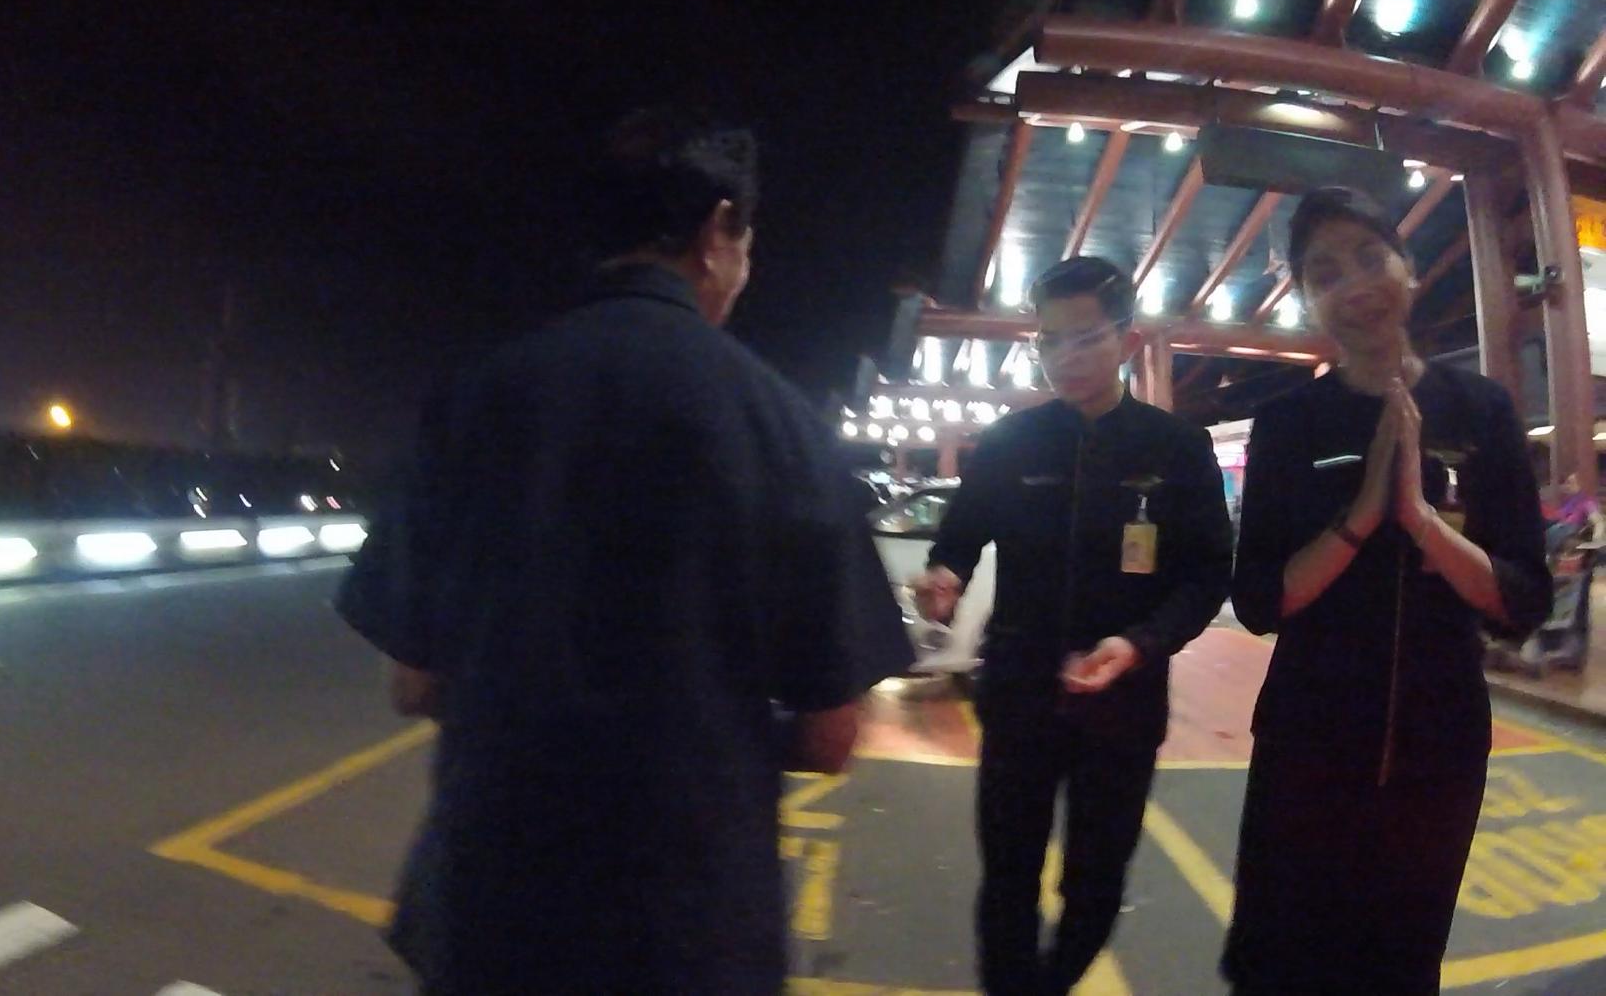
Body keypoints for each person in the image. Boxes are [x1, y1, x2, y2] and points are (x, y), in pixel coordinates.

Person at [335, 108, 914, 996]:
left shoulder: (481, 396)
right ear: (719, 231)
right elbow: (831, 735)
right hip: (689, 922)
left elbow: (413, 683)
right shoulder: (786, 429)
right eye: (747, 241)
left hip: (492, 901)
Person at [1223, 187, 1553, 994]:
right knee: (1281, 960)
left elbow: (1523, 600)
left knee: (1402, 963)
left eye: (1371, 257)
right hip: (1307, 745)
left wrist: (1423, 524)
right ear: (1308, 300)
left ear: (1407, 267)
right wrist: (1365, 513)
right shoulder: (1289, 423)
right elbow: (1260, 602)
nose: (1356, 285)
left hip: (1439, 748)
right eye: (1326, 273)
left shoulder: (1481, 409)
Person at [913, 256, 1234, 995]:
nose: (1065, 357)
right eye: (1049, 341)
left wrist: (1139, 643)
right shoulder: (1009, 443)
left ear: (1127, 339)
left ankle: (1054, 984)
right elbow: (959, 538)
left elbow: (1207, 575)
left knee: (1096, 878)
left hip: (1123, 703)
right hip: (1018, 693)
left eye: (1084, 338)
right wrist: (944, 575)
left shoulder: (1177, 449)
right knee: (1007, 874)